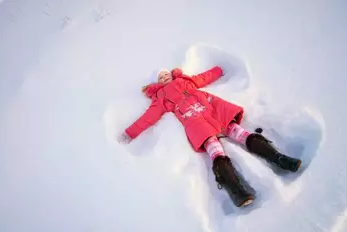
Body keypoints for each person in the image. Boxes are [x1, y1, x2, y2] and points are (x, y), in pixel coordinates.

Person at [117, 66, 301, 207]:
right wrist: (129, 133)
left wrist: (218, 70)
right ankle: (237, 191)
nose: (165, 78)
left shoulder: (185, 81)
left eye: (166, 74)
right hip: (194, 119)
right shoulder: (160, 97)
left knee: (240, 133)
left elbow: (203, 78)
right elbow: (148, 118)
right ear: (157, 83)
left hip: (212, 108)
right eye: (160, 77)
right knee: (215, 151)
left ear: (172, 75)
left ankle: (280, 158)